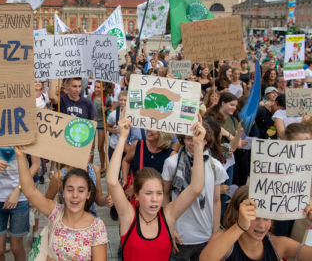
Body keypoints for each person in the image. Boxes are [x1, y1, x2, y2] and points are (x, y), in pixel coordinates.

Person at [107, 116, 206, 261]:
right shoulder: (128, 216)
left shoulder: (168, 216)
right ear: (137, 195)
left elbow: (196, 188)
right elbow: (112, 181)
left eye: (159, 193)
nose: (155, 199)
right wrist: (122, 137)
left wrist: (198, 146)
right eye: (148, 193)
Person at [15, 147, 108, 260]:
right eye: (70, 189)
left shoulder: (97, 227)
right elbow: (29, 191)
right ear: (62, 192)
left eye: (81, 190)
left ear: (88, 194)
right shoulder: (54, 212)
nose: (75, 195)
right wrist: (20, 156)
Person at [162, 121, 228, 260]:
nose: (192, 143)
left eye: (198, 137)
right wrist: (169, 228)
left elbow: (216, 201)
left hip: (205, 235)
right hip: (180, 236)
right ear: (183, 139)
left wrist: (215, 233)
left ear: (206, 140)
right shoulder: (171, 163)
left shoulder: (215, 166)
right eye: (188, 138)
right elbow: (165, 195)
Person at [199, 185, 312, 261]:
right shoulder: (224, 242)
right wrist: (239, 226)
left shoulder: (278, 245)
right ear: (238, 213)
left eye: (267, 218)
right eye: (255, 217)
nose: (262, 225)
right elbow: (205, 258)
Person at [0, 147, 40, 261]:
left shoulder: (25, 133)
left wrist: (18, 189)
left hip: (20, 198)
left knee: (16, 247)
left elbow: (36, 164)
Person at [90, 81, 112, 176]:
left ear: (103, 88)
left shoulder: (106, 98)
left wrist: (106, 109)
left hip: (102, 123)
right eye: (95, 87)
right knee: (91, 147)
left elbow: (111, 106)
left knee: (100, 147)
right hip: (92, 122)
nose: (96, 89)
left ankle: (103, 167)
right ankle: (89, 166)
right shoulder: (91, 96)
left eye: (98, 87)